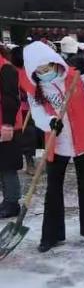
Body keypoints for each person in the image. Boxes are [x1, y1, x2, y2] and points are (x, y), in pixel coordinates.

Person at [23, 41, 84, 252]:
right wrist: (50, 122)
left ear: (55, 62)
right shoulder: (36, 87)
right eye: (39, 71)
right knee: (53, 189)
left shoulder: (75, 74)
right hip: (57, 142)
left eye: (47, 68)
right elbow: (38, 114)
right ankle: (51, 235)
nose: (44, 73)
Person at [0, 47, 22, 219]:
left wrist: (7, 124)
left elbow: (11, 98)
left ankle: (12, 202)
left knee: (8, 166)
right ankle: (6, 200)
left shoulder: (6, 69)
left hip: (7, 125)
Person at [10, 45, 37, 175]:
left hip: (27, 109)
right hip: (15, 109)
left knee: (29, 136)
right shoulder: (9, 71)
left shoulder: (29, 71)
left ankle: (30, 161)